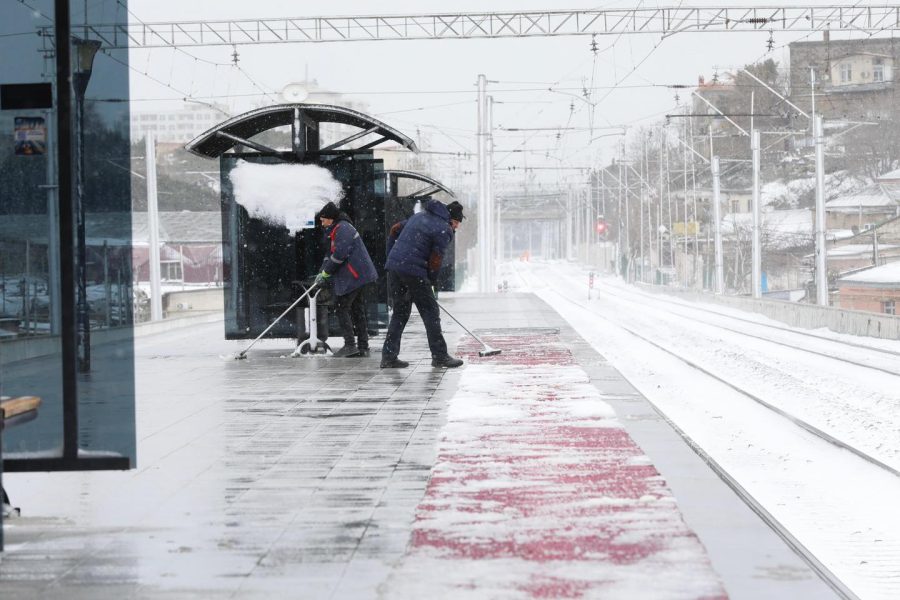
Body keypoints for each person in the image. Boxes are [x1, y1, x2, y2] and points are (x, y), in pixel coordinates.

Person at [380, 199, 466, 369]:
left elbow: (394, 229)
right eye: (456, 223)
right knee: (431, 313)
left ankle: (388, 357)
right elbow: (436, 259)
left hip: (396, 269)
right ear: (450, 219)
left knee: (400, 312)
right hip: (413, 271)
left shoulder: (419, 216)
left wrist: (392, 255)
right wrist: (431, 280)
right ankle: (440, 356)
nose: (456, 227)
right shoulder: (444, 229)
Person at [315, 201, 378, 358]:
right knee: (357, 309)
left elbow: (340, 254)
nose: (322, 224)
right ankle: (363, 346)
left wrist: (326, 273)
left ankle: (350, 345)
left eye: (323, 220)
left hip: (355, 275)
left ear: (330, 218)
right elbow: (330, 254)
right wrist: (322, 271)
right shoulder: (337, 229)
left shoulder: (343, 228)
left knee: (341, 306)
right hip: (358, 275)